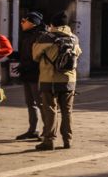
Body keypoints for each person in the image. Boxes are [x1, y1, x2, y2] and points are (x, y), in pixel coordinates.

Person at [32, 12, 81, 151]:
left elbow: (35, 56)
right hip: (69, 80)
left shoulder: (46, 37)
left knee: (50, 110)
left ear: (52, 24)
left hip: (49, 79)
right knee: (67, 111)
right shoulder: (74, 38)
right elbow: (78, 54)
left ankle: (49, 140)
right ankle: (67, 140)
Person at [15, 11, 46, 140]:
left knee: (41, 103)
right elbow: (25, 54)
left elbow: (38, 57)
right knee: (30, 103)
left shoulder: (41, 36)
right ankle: (33, 130)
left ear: (33, 23)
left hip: (37, 74)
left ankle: (47, 131)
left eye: (24, 21)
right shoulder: (26, 35)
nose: (21, 23)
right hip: (27, 73)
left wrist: (25, 66)